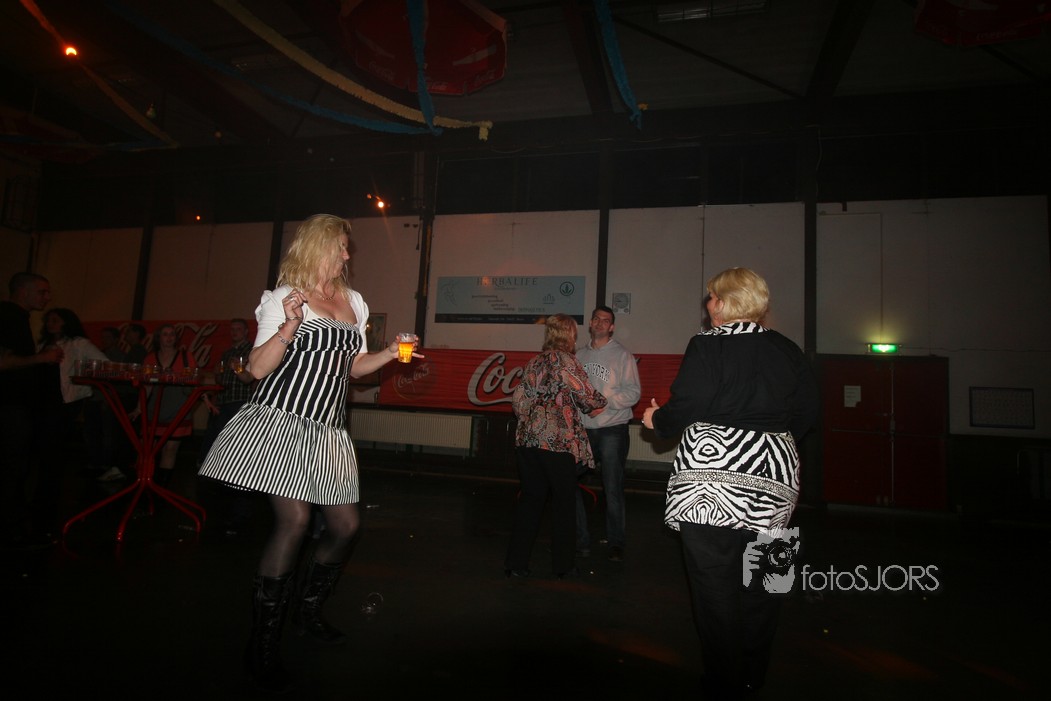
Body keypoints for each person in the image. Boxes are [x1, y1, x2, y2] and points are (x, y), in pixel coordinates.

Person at [198, 213, 420, 693]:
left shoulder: (354, 301)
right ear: (318, 246)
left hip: (329, 431)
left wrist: (390, 353)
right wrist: (290, 325)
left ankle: (306, 611)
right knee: (295, 521)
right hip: (281, 422)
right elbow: (257, 369)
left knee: (346, 526)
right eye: (341, 246)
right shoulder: (285, 297)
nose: (347, 254)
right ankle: (261, 645)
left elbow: (353, 367)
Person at [642, 267, 819, 700]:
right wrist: (769, 447)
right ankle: (753, 675)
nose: (707, 305)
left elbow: (691, 401)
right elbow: (807, 412)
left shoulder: (708, 344)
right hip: (775, 477)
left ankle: (724, 680)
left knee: (714, 584)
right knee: (766, 580)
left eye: (710, 297)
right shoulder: (788, 349)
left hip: (711, 480)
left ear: (720, 302)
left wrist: (656, 420)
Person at [505, 313, 607, 580]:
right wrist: (601, 403)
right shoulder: (567, 362)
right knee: (564, 504)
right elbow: (589, 398)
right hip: (557, 444)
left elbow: (518, 403)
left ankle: (516, 564)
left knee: (530, 501)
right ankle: (563, 566)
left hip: (528, 443)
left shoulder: (534, 362)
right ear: (569, 334)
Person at [0, 273, 64, 548]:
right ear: (23, 291)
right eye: (42, 292)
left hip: (15, 405)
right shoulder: (9, 316)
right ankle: (9, 526)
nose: (47, 297)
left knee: (16, 465)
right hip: (9, 406)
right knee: (12, 465)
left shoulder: (18, 318)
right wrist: (41, 358)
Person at [574, 305, 640, 562]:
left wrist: (604, 403)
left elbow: (633, 392)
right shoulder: (579, 355)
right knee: (568, 480)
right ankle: (581, 539)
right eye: (597, 319)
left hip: (613, 429)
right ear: (591, 323)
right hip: (584, 431)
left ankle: (616, 543)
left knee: (612, 487)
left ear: (612, 327)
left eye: (606, 320)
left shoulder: (622, 355)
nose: (600, 323)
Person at [198, 318, 256, 534]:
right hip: (224, 404)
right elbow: (221, 381)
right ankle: (221, 507)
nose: (234, 332)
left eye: (238, 329)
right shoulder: (226, 353)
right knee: (216, 454)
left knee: (239, 457)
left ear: (246, 331)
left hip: (241, 404)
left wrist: (237, 369)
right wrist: (218, 375)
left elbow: (248, 379)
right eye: (232, 329)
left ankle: (239, 512)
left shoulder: (252, 350)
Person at [144, 324, 216, 487]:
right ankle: (146, 484)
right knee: (148, 450)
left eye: (172, 334)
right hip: (154, 409)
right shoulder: (150, 358)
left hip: (178, 409)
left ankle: (161, 488)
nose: (169, 338)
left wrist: (206, 400)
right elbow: (146, 386)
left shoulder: (185, 357)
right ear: (158, 337)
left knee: (170, 449)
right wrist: (138, 408)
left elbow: (195, 382)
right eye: (165, 334)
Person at [37, 308, 108, 471]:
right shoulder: (42, 344)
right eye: (48, 320)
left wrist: (82, 374)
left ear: (66, 323)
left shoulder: (78, 343)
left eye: (55, 320)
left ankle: (51, 475)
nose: (49, 324)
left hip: (66, 398)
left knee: (55, 439)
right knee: (44, 439)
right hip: (44, 396)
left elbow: (103, 363)